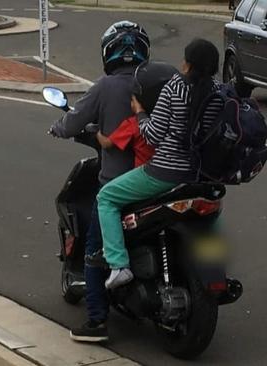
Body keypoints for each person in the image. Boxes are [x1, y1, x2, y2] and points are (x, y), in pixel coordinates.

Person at [49, 20, 150, 343]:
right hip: (165, 178)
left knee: (94, 249)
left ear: (109, 52)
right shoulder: (159, 80)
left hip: (120, 181)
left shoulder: (105, 87)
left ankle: (96, 320)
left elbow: (74, 120)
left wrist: (58, 127)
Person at [97, 38, 225, 289]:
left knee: (106, 198)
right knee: (210, 216)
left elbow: (152, 135)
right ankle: (216, 269)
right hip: (201, 176)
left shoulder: (174, 87)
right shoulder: (218, 92)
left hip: (165, 173)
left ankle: (118, 264)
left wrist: (140, 112)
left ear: (188, 64)